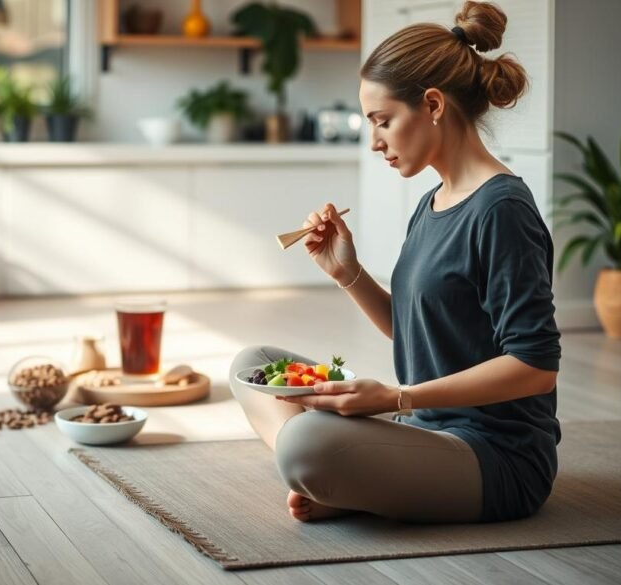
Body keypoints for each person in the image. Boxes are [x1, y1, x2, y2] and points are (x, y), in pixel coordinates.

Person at [228, 0, 562, 525]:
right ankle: (340, 478)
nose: (376, 141)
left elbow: (536, 368)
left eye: (383, 121)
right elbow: (418, 330)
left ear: (432, 104)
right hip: (424, 433)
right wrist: (348, 274)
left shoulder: (502, 210)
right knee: (252, 364)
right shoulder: (430, 204)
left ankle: (332, 476)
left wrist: (397, 398)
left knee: (304, 442)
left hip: (495, 458)